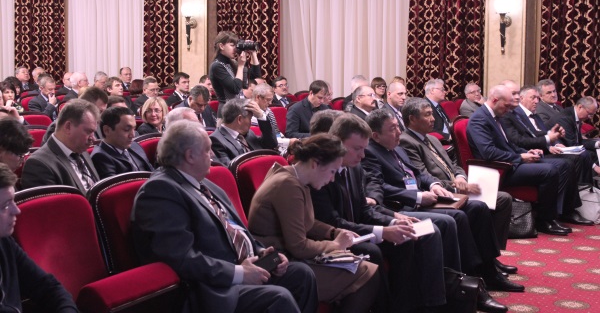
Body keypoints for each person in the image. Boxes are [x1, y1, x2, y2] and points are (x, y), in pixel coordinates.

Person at [131, 120, 318, 313]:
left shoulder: (205, 184)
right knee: (278, 298)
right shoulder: (160, 191)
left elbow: (234, 229)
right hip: (213, 286)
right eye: (207, 150)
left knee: (302, 274)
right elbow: (181, 257)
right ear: (190, 156)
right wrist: (240, 273)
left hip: (242, 266)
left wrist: (261, 252)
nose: (212, 155)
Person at [311, 113, 465, 313]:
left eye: (364, 149)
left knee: (406, 237)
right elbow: (333, 222)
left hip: (359, 229)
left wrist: (393, 221)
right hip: (334, 238)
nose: (362, 156)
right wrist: (383, 230)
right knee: (373, 250)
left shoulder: (354, 168)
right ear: (337, 143)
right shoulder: (321, 173)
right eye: (357, 149)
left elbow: (364, 209)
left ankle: (415, 306)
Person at [248, 134, 380, 313]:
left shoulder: (293, 177)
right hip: (279, 262)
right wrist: (335, 245)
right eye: (332, 171)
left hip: (286, 255)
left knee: (364, 266)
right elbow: (299, 247)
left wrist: (332, 232)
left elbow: (305, 221)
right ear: (315, 163)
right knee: (366, 273)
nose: (332, 179)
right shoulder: (288, 186)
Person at [399, 97, 516, 267]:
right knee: (483, 205)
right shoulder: (407, 141)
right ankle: (485, 260)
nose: (433, 119)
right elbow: (422, 176)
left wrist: (461, 177)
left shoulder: (431, 138)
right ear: (412, 119)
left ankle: (491, 255)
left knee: (503, 199)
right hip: (442, 193)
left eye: (432, 114)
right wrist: (455, 186)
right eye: (427, 115)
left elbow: (454, 165)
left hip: (458, 187)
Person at [467, 85, 569, 235]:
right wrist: (520, 157)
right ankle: (545, 220)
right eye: (507, 105)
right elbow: (488, 153)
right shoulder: (479, 119)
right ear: (495, 100)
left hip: (509, 163)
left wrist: (526, 152)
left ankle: (553, 216)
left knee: (559, 164)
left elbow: (508, 145)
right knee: (549, 171)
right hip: (497, 170)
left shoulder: (496, 115)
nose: (509, 109)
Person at [501, 86, 593, 225]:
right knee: (567, 163)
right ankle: (557, 213)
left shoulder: (534, 115)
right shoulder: (513, 115)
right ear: (522, 98)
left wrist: (553, 142)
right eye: (533, 98)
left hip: (538, 150)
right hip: (524, 156)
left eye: (538, 98)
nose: (537, 101)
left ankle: (566, 209)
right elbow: (519, 140)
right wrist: (548, 142)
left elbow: (539, 134)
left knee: (575, 158)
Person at [0, 163, 79, 312]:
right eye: (5, 206)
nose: (16, 211)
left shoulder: (5, 241)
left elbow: (48, 287)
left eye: (13, 201)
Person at [20, 99, 101, 193]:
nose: (93, 138)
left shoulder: (80, 149)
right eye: (88, 132)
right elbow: (55, 203)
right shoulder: (38, 165)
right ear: (68, 127)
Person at [210, 98, 277, 166]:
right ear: (239, 119)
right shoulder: (216, 140)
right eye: (250, 118)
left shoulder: (248, 133)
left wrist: (261, 117)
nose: (251, 123)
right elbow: (229, 168)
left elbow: (271, 144)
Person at [91, 107, 153, 179]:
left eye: (134, 129)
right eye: (127, 129)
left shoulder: (135, 145)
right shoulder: (100, 157)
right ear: (107, 130)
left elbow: (152, 172)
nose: (133, 135)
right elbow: (115, 185)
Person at [209, 31, 261, 117]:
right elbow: (235, 88)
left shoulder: (233, 63)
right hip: (226, 112)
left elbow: (255, 77)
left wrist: (253, 53)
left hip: (237, 109)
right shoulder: (216, 66)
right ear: (221, 46)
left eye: (236, 45)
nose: (235, 49)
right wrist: (240, 66)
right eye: (232, 45)